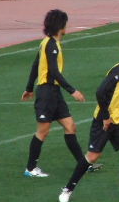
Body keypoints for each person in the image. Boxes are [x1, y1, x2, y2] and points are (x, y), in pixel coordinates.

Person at [59, 41, 119, 202]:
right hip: (104, 121)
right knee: (92, 156)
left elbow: (117, 96)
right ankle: (68, 189)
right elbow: (101, 93)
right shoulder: (118, 72)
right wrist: (106, 117)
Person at [21, 9, 86, 178]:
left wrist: (29, 88)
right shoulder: (51, 45)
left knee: (70, 126)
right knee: (43, 131)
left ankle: (83, 164)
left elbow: (36, 64)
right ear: (60, 27)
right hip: (47, 93)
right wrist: (73, 91)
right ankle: (30, 168)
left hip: (54, 92)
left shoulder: (47, 43)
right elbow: (54, 72)